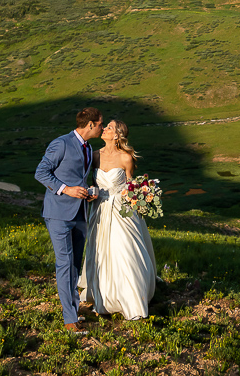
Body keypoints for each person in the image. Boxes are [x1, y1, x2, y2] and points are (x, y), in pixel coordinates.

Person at [78, 119, 156, 319]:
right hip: (100, 209)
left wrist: (139, 196)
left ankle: (131, 298)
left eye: (109, 127)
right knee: (101, 252)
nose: (104, 129)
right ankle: (104, 295)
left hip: (122, 211)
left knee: (125, 251)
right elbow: (89, 182)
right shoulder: (94, 156)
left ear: (117, 135)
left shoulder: (126, 157)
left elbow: (131, 185)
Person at [34, 107, 102, 335]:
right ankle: (69, 320)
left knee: (74, 265)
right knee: (64, 264)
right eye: (100, 124)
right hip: (58, 214)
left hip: (81, 213)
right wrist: (66, 190)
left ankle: (73, 310)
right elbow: (41, 172)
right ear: (90, 124)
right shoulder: (61, 143)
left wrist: (89, 192)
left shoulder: (89, 148)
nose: (102, 128)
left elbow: (82, 178)